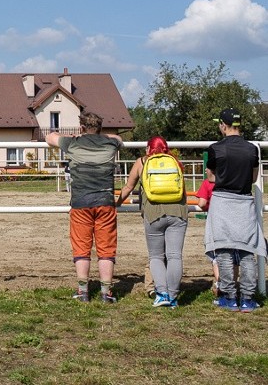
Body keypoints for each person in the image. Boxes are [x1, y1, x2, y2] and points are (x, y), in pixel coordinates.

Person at [46, 111, 123, 304]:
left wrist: (75, 137)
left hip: (81, 202)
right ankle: (106, 293)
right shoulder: (110, 143)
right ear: (100, 128)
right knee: (106, 249)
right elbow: (118, 138)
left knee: (81, 247)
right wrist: (105, 135)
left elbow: (50, 137)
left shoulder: (73, 144)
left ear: (81, 128)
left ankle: (83, 291)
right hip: (105, 202)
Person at [203, 108, 264, 313]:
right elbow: (254, 177)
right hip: (244, 201)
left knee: (224, 250)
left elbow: (211, 177)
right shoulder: (251, 149)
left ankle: (228, 296)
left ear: (223, 125)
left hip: (222, 201)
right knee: (247, 251)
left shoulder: (215, 148)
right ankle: (247, 297)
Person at [116, 137, 187, 308]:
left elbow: (128, 187)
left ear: (148, 149)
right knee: (174, 256)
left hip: (153, 213)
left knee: (156, 256)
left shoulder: (141, 162)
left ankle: (161, 294)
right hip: (178, 213)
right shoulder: (175, 162)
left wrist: (116, 203)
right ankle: (174, 296)